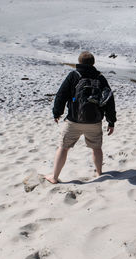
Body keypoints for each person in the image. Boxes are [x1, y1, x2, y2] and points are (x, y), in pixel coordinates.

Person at [45, 51, 116, 184]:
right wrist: (111, 121)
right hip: (94, 121)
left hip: (74, 120)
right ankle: (99, 172)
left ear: (79, 62)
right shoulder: (100, 77)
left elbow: (61, 95)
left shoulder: (74, 75)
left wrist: (57, 113)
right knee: (96, 148)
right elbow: (109, 100)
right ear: (93, 63)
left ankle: (54, 177)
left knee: (63, 147)